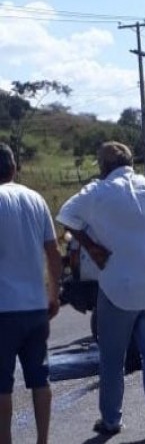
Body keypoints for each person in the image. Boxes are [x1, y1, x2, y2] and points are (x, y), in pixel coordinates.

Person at [56, 141, 145, 438]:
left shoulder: (98, 192)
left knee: (112, 358)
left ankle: (111, 420)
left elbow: (65, 216)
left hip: (117, 287)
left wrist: (91, 247)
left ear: (104, 167)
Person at [0, 143, 61, 444]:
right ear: (13, 168)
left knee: (2, 386)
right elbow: (53, 252)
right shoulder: (35, 200)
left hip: (3, 309)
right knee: (40, 378)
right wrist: (54, 293)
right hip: (35, 306)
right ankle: (42, 440)